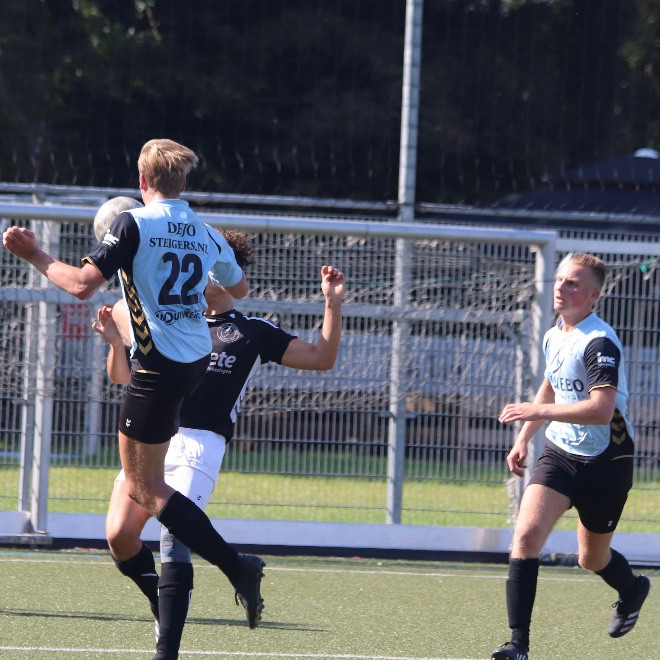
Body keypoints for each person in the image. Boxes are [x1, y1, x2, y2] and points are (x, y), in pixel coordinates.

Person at [2, 139, 270, 650]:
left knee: (146, 490)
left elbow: (81, 285)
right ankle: (187, 587)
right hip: (193, 362)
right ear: (182, 182)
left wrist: (33, 253)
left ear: (142, 181)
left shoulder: (133, 224)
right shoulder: (206, 231)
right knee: (131, 511)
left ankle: (237, 566)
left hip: (158, 369)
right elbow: (237, 290)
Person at [92, 232, 345, 659]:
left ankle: (166, 650)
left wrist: (332, 303)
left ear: (226, 275)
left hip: (199, 443)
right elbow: (121, 370)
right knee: (119, 537)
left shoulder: (251, 332)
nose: (192, 276)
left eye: (205, 269)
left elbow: (322, 358)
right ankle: (165, 599)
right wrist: (119, 336)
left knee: (173, 540)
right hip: (152, 436)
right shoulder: (171, 321)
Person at [491, 253, 650, 660]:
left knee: (590, 558)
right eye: (560, 279)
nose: (561, 287)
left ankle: (632, 588)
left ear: (594, 295)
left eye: (573, 283)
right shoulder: (554, 335)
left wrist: (536, 410)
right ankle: (518, 645)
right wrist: (524, 438)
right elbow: (551, 383)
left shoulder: (599, 342)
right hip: (560, 453)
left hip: (606, 462)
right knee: (526, 536)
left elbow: (600, 410)